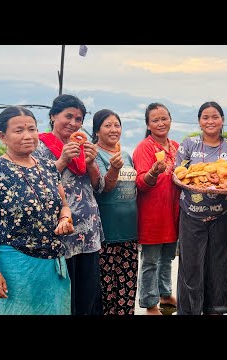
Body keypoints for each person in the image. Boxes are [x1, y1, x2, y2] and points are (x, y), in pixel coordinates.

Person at [0, 106, 73, 315]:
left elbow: (63, 205)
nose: (28, 136)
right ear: (3, 136)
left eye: (32, 129)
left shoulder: (48, 167)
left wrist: (65, 219)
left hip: (52, 268)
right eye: (19, 131)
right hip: (14, 268)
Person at [33, 94, 104, 315]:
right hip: (61, 231)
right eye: (68, 116)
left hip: (88, 231)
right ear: (53, 116)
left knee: (87, 293)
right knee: (64, 294)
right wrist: (63, 160)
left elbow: (98, 186)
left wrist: (91, 162)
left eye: (79, 119)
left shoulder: (83, 146)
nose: (73, 123)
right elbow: (37, 184)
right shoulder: (39, 146)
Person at [175, 101, 227, 315]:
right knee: (190, 266)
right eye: (205, 117)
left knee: (218, 265)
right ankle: (189, 310)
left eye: (215, 117)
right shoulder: (189, 144)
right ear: (199, 121)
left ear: (223, 120)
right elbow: (178, 174)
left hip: (222, 216)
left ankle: (216, 309)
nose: (210, 121)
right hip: (191, 214)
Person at [133, 103, 180, 315]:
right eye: (155, 120)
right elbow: (141, 182)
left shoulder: (177, 146)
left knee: (168, 257)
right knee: (150, 261)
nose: (161, 123)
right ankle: (150, 303)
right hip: (152, 213)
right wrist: (153, 172)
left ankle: (164, 293)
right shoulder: (144, 147)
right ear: (148, 124)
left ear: (170, 120)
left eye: (164, 118)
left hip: (174, 211)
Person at [92, 109, 138, 315]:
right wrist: (114, 169)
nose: (113, 130)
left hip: (128, 231)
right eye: (107, 125)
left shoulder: (125, 155)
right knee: (106, 290)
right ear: (97, 131)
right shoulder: (94, 154)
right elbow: (102, 188)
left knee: (127, 290)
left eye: (117, 125)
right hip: (106, 234)